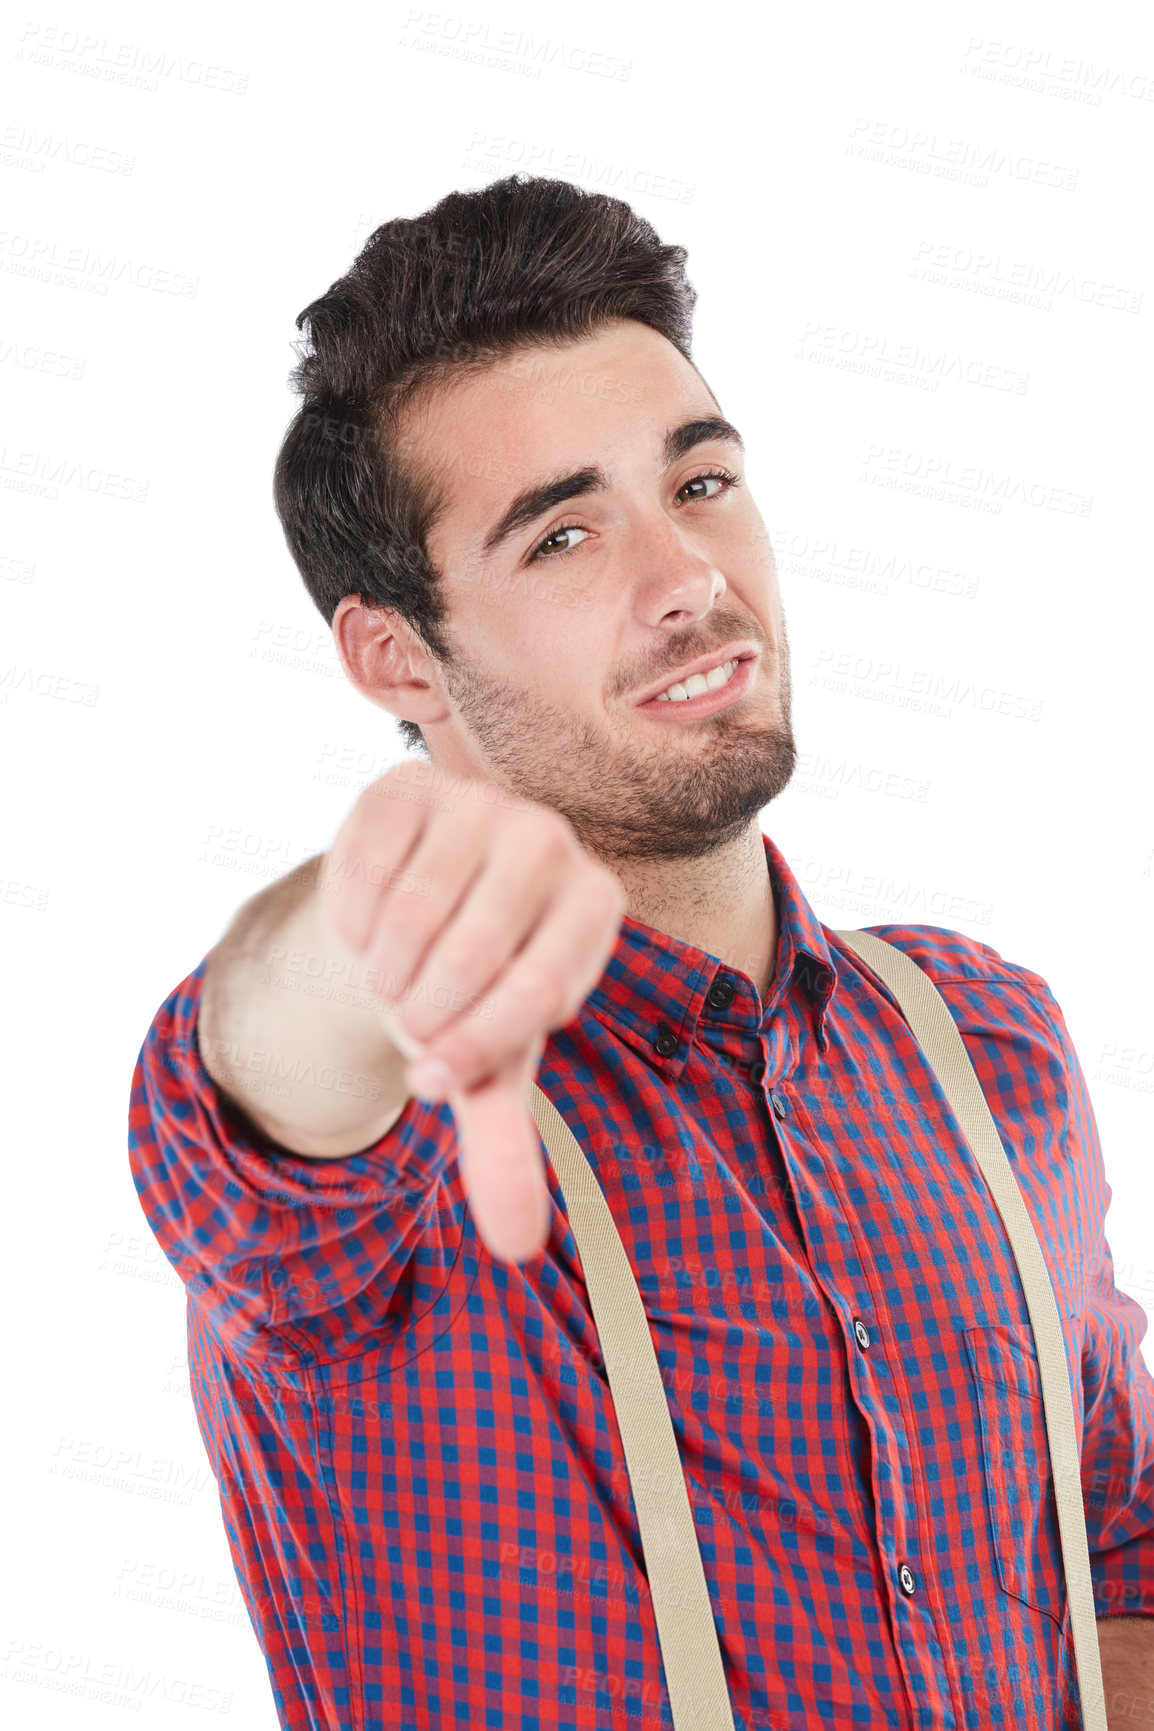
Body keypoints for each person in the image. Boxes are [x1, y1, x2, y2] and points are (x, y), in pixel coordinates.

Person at [128, 175, 1153, 1731]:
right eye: (560, 536)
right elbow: (260, 1075)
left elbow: (1111, 1554)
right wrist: (372, 916)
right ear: (397, 654)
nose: (685, 581)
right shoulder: (381, 1157)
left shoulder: (983, 1038)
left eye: (697, 483)